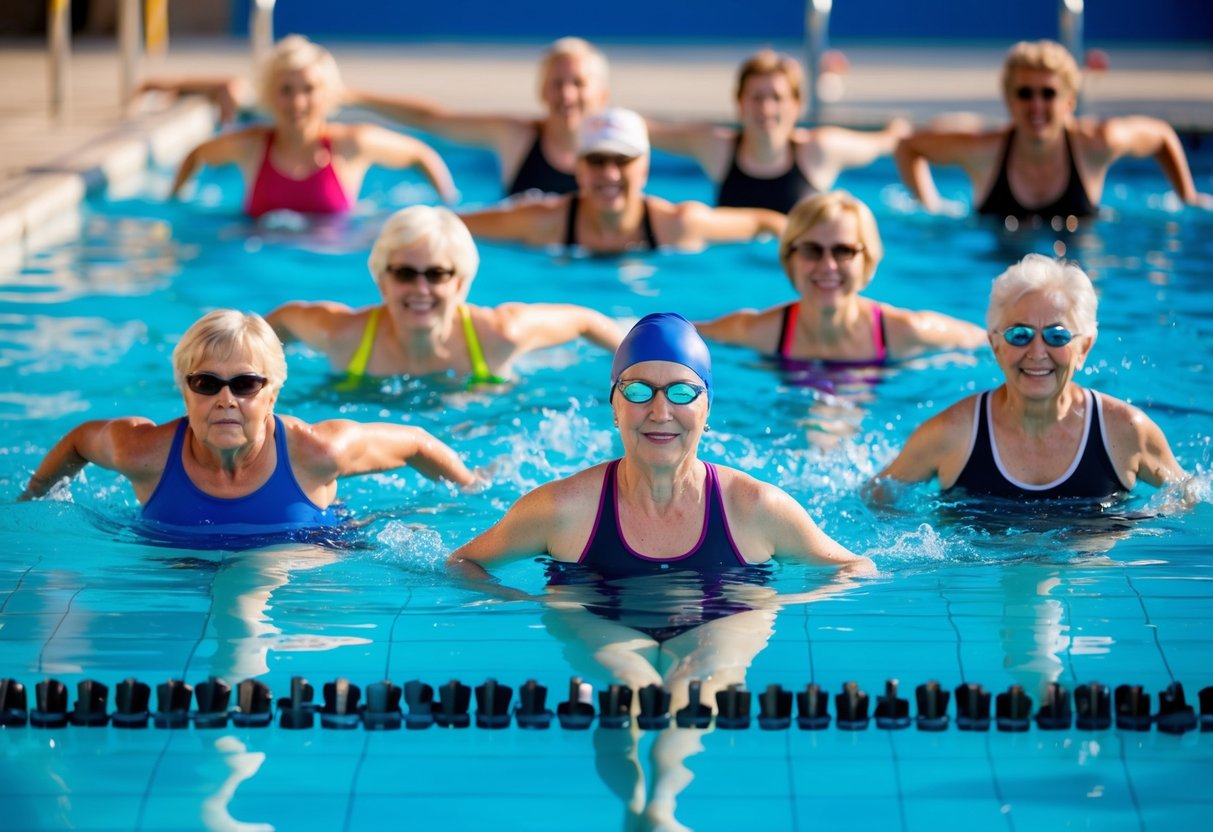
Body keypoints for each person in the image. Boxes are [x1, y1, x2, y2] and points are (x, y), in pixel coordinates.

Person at [447, 312, 871, 826]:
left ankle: (661, 808)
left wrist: (787, 602)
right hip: (596, 609)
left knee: (699, 687)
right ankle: (631, 804)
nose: (660, 410)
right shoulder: (563, 508)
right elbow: (463, 561)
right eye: (639, 390)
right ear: (615, 407)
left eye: (682, 392)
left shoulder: (755, 507)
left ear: (708, 407)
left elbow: (854, 567)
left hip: (727, 609)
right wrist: (526, 604)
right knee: (630, 688)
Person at [18, 310, 475, 534]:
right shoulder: (143, 451)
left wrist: (472, 490)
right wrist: (33, 496)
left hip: (302, 555)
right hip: (177, 562)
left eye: (245, 384)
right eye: (206, 383)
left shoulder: (316, 451)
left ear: (273, 393)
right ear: (184, 390)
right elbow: (79, 441)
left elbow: (415, 441)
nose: (225, 399)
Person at [865, 254, 1186, 503]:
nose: (1037, 352)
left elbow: (1187, 499)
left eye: (1057, 336)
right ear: (995, 345)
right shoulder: (952, 434)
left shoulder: (1125, 431)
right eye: (1020, 335)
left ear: (1084, 347)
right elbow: (875, 497)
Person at [266, 205, 624, 386]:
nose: (420, 289)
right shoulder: (343, 335)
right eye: (405, 273)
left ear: (460, 283)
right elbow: (280, 321)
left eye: (436, 274)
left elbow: (584, 321)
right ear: (382, 280)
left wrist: (643, 364)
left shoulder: (498, 335)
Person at [894, 39, 1210, 222]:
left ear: (1070, 101)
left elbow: (1161, 136)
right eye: (1025, 94)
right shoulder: (983, 148)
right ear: (1008, 100)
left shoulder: (1096, 143)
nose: (1036, 106)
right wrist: (930, 206)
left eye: (1048, 94)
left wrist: (1189, 197)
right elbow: (907, 145)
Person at [170, 35, 458, 218]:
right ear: (270, 94)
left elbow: (421, 154)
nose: (298, 102)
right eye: (286, 90)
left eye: (309, 89)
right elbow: (196, 155)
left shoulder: (351, 145)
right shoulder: (251, 145)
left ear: (329, 93)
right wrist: (175, 203)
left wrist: (450, 209)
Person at [696, 191, 987, 370]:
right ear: (790, 260)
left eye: (843, 251)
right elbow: (687, 334)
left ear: (868, 261)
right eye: (811, 250)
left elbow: (985, 340)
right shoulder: (762, 331)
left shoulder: (904, 331)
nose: (828, 265)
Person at [459, 108, 786, 254]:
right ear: (579, 169)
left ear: (644, 168)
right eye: (597, 161)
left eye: (622, 161)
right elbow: (457, 224)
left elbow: (764, 222)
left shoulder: (677, 226)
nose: (610, 174)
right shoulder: (544, 221)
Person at [647, 49, 910, 214]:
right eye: (756, 97)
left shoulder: (819, 150)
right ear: (739, 103)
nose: (766, 108)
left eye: (777, 97)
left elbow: (883, 142)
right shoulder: (716, 147)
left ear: (797, 105)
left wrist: (898, 130)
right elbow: (649, 131)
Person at [347, 36, 609, 198]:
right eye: (557, 83)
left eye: (578, 83)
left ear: (603, 94)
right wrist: (354, 97)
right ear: (542, 92)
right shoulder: (516, 137)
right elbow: (435, 121)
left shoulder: (624, 143)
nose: (567, 94)